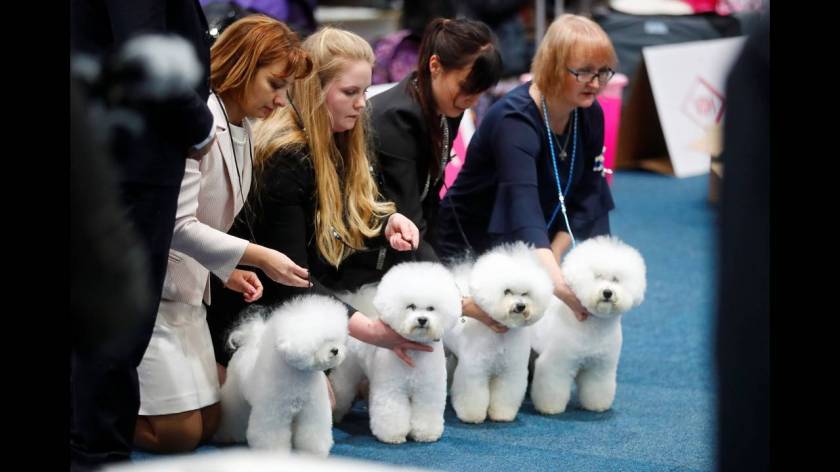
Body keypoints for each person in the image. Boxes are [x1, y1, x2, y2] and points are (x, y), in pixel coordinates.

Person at [133, 15, 313, 453]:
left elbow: (206, 223)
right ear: (242, 65)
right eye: (275, 84)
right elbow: (175, 225)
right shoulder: (197, 122)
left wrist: (226, 269)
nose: (282, 101)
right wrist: (258, 256)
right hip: (150, 293)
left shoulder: (242, 127)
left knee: (215, 421)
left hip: (188, 295)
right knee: (178, 436)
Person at [208, 27, 431, 371]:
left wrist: (387, 224)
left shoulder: (340, 141)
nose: (362, 103)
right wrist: (370, 330)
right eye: (350, 92)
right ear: (315, 90)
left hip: (305, 300)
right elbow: (291, 280)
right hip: (252, 312)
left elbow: (345, 218)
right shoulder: (285, 158)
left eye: (365, 91)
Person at [70, 1, 217, 469]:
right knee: (114, 321)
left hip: (113, 146)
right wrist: (199, 124)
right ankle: (98, 455)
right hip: (131, 153)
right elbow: (145, 51)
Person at [435, 14, 618, 322]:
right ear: (553, 68)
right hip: (469, 248)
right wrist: (559, 287)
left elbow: (587, 197)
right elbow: (522, 210)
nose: (596, 83)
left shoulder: (590, 113)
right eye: (584, 72)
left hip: (532, 251)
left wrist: (553, 262)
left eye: (603, 72)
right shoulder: (514, 120)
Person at [363, 18, 506, 332]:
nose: (473, 100)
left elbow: (430, 202)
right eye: (467, 88)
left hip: (412, 234)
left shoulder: (444, 107)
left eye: (480, 92)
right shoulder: (396, 119)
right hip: (369, 253)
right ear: (435, 65)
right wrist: (459, 299)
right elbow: (408, 219)